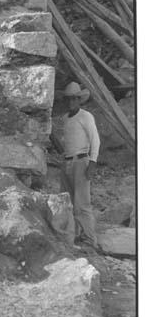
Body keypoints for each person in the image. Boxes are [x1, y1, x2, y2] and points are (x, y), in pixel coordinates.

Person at [60, 82, 100, 247]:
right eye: (68, 99)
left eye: (74, 99)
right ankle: (74, 235)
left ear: (79, 99)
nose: (71, 102)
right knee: (67, 201)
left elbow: (95, 140)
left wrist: (92, 162)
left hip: (81, 161)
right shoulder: (65, 118)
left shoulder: (86, 116)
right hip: (67, 161)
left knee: (82, 203)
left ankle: (91, 241)